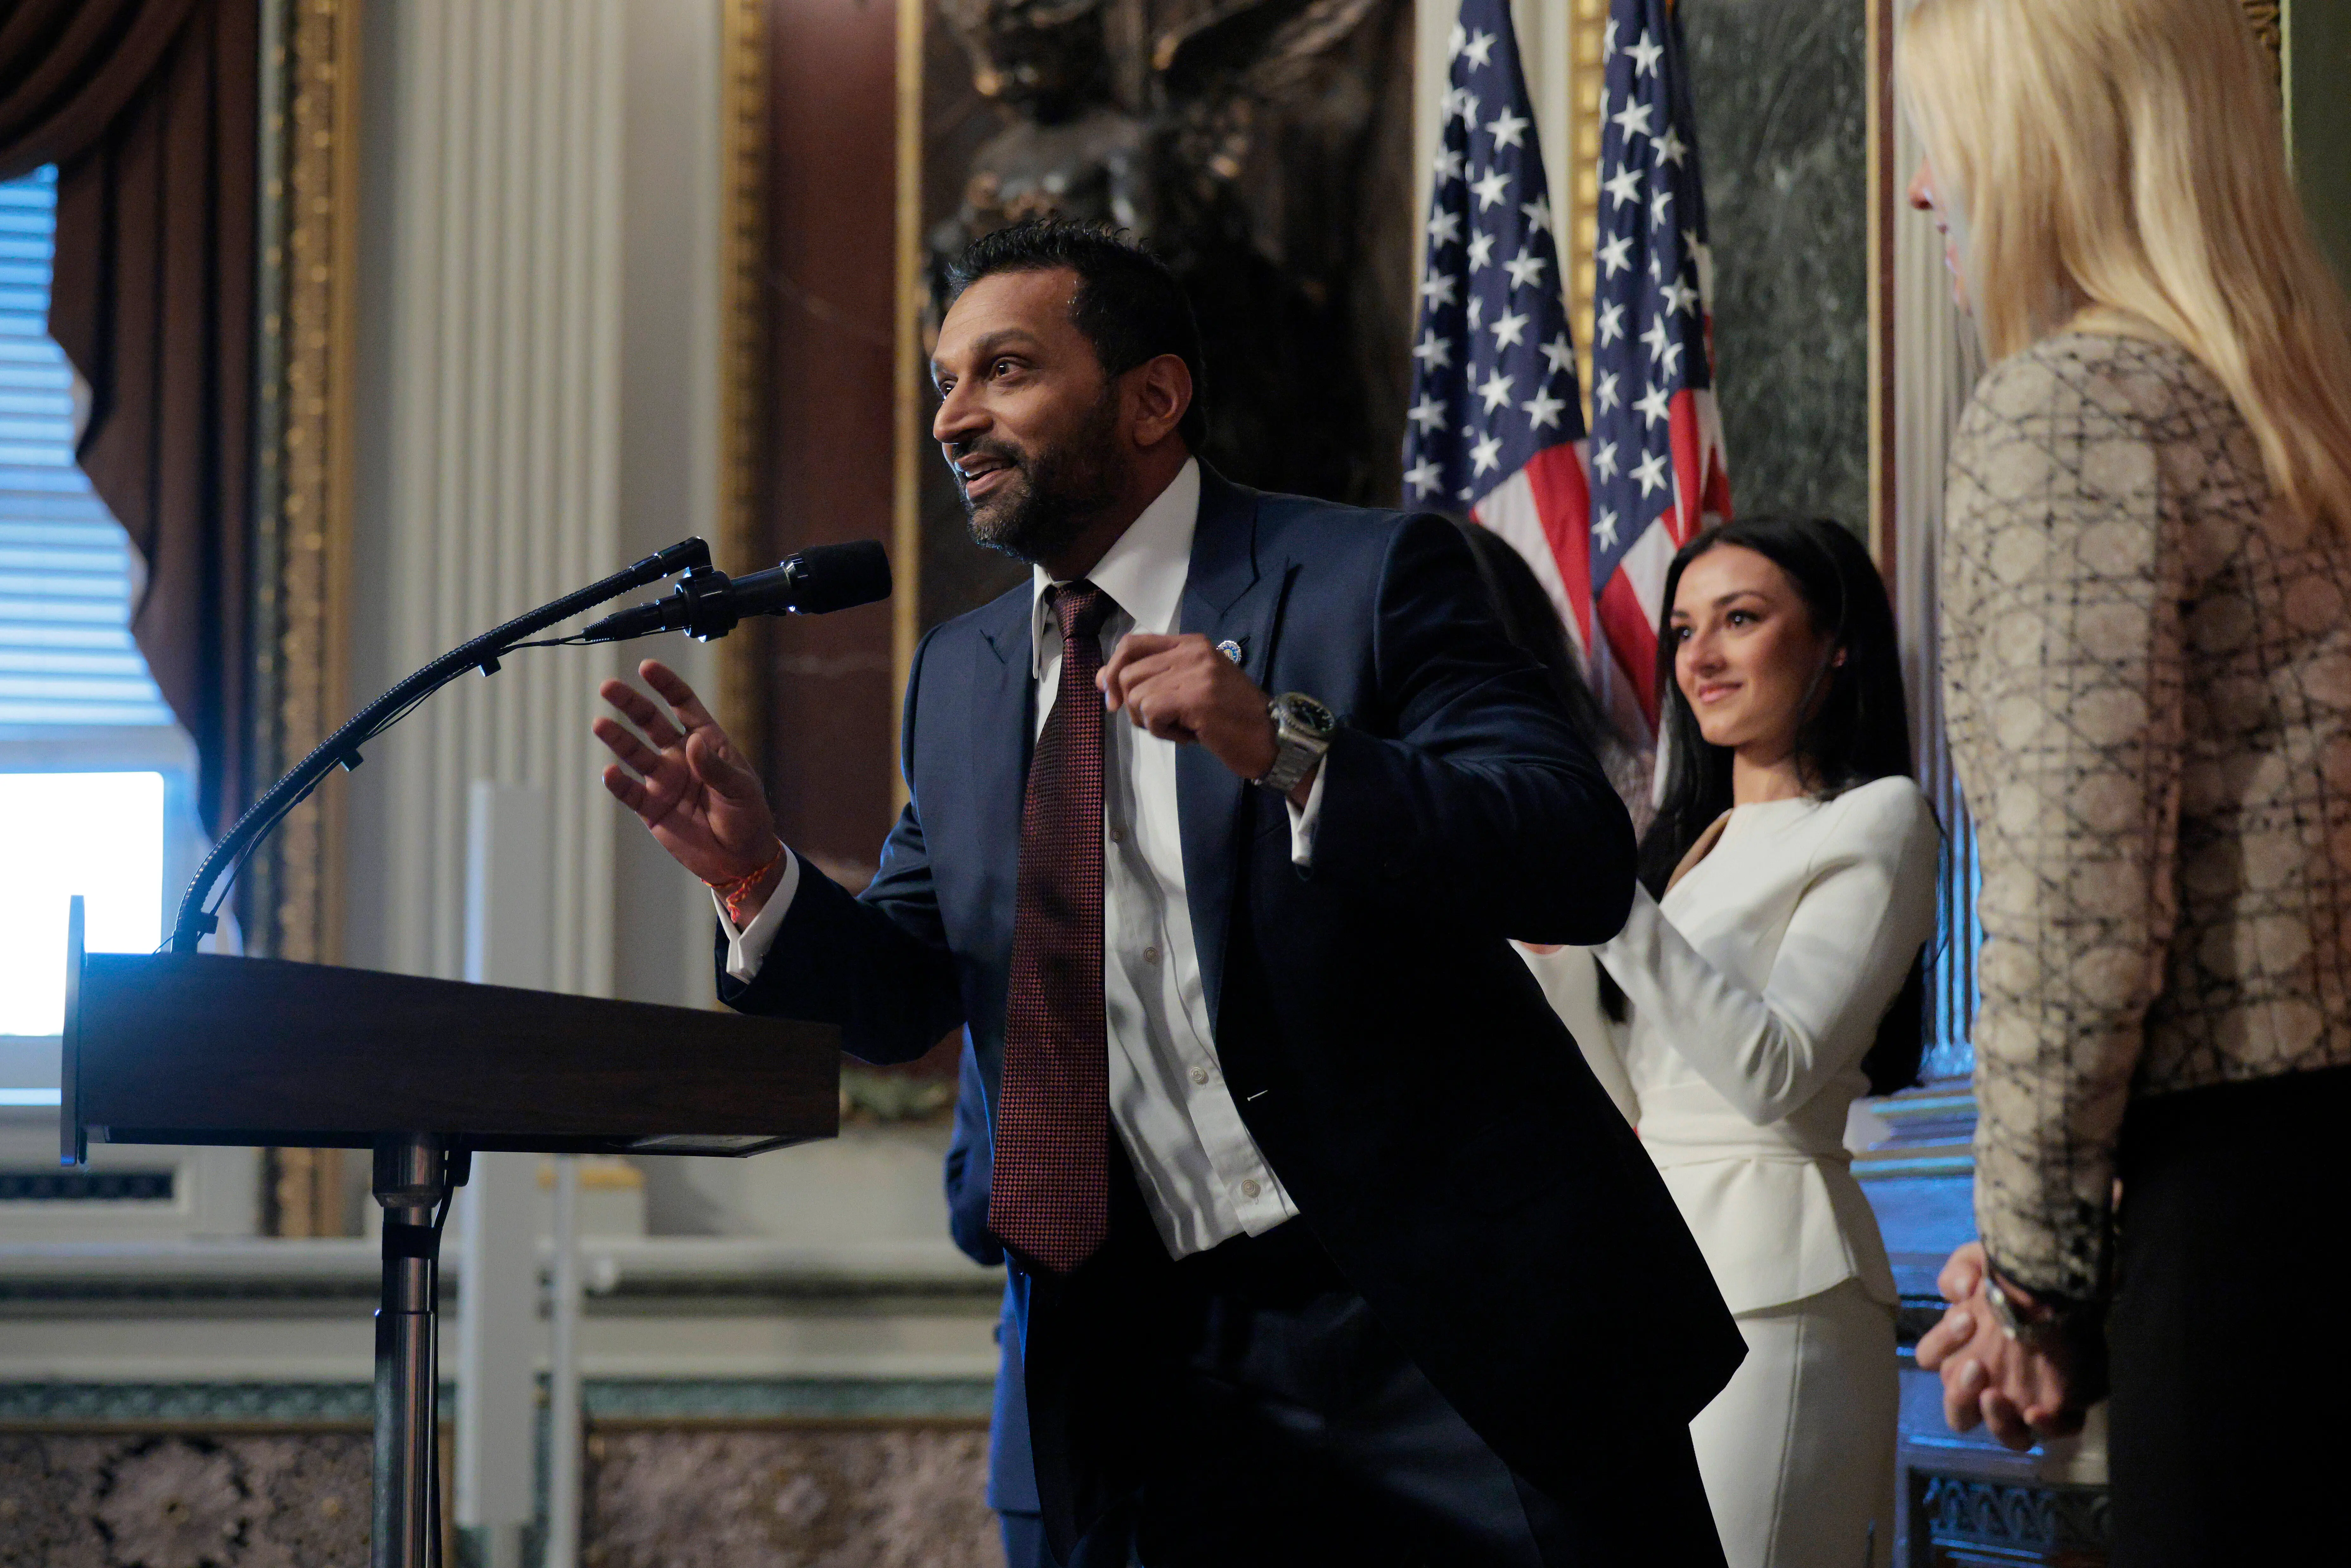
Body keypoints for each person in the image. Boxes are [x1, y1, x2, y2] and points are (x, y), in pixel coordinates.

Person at [593, 218, 1744, 1566]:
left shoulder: (1366, 578)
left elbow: (1566, 849)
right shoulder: (963, 676)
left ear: (1153, 398)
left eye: (1004, 371)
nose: (954, 419)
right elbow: (909, 987)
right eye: (941, 384)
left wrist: (1291, 750)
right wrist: (759, 878)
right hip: (1163, 1367)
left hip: (1451, 1328)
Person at [1897, 1, 2351, 1560]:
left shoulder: (2070, 408)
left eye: (1942, 139)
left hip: (2230, 1201)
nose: (1917, 191)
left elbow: (2078, 903)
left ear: (2049, 144)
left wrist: (2023, 1271)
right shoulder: (2296, 417)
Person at [1533, 517, 1937, 1568]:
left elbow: (1774, 1070)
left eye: (1739, 619)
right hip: (1647, 1265)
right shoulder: (1686, 848)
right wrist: (1557, 953)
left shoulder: (1876, 818)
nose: (1697, 657)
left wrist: (1608, 907)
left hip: (1778, 1282)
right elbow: (1632, 1093)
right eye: (1680, 629)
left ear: (1832, 642)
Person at [944, 1042, 1047, 1566]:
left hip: (1210, 1402)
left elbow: (975, 1211)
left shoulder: (1007, 988)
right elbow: (976, 1221)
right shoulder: (1001, 995)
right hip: (1043, 1431)